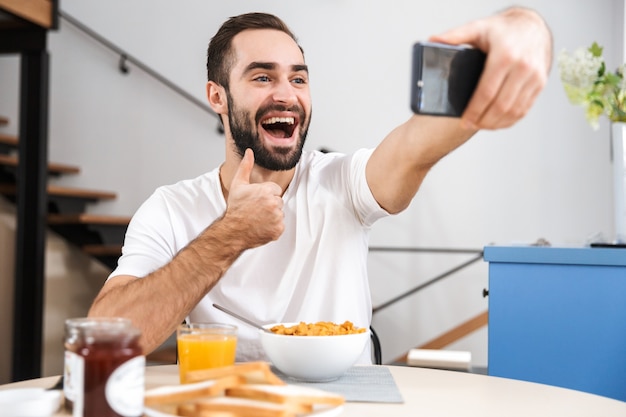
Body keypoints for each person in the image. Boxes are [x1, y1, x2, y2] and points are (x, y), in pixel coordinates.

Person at [89, 8, 552, 363]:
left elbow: (415, 145)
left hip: (346, 403)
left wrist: (525, 27)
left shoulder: (343, 183)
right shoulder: (171, 209)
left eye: (298, 78)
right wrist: (229, 235)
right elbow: (107, 341)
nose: (287, 94)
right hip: (232, 402)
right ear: (217, 97)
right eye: (263, 76)